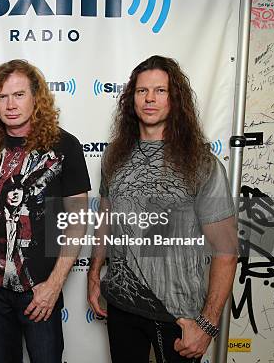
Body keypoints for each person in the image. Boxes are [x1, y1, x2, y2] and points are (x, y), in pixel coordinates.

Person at [87, 55, 238, 362]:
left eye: (160, 91)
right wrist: (93, 273)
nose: (150, 99)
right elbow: (105, 218)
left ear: (175, 99)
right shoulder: (114, 157)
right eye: (142, 91)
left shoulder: (201, 163)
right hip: (122, 304)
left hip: (178, 315)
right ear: (132, 100)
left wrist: (207, 325)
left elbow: (227, 249)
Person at [0, 59, 90, 363]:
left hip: (39, 288)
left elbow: (78, 218)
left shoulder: (64, 146)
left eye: (18, 95)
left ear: (36, 98)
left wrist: (55, 284)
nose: (10, 105)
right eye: (2, 97)